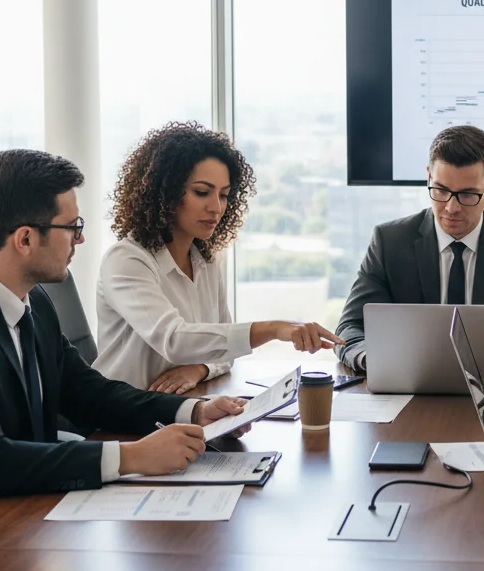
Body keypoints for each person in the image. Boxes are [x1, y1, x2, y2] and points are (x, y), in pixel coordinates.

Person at [0, 150, 248, 557]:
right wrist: (132, 456)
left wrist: (193, 412)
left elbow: (90, 394)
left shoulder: (35, 302)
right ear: (25, 238)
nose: (80, 239)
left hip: (24, 517)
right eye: (72, 227)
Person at [94, 122, 342, 393]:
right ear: (164, 193)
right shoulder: (127, 260)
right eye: (202, 192)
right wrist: (273, 329)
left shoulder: (205, 261)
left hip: (179, 408)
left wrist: (199, 369)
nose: (216, 207)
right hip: (121, 416)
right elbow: (174, 339)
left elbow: (224, 349)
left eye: (224, 195)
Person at [336, 125, 484, 375]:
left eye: (468, 194)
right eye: (440, 190)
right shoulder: (390, 241)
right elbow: (350, 327)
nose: (451, 208)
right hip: (408, 386)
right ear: (429, 177)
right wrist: (372, 359)